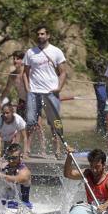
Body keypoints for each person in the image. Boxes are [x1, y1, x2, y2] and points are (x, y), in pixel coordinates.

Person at [23, 25, 68, 156]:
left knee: (54, 122)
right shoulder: (30, 52)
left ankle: (57, 149)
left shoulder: (56, 51)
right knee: (31, 121)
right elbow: (25, 73)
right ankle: (27, 149)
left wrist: (59, 88)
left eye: (42, 34)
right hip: (34, 91)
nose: (40, 36)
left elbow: (63, 72)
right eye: (38, 34)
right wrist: (27, 88)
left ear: (48, 35)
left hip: (50, 92)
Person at [64, 147, 108, 213]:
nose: (94, 170)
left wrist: (104, 205)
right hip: (92, 209)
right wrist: (69, 157)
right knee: (77, 207)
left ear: (104, 164)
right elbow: (68, 174)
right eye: (91, 166)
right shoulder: (87, 173)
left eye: (97, 166)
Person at [0, 143, 33, 209]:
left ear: (20, 157)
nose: (11, 160)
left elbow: (18, 179)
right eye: (9, 157)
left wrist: (0, 175)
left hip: (22, 206)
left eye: (14, 158)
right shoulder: (5, 166)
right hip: (5, 203)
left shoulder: (24, 171)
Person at [0, 50, 28, 116]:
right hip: (22, 101)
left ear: (23, 60)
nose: (15, 61)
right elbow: (7, 90)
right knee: (20, 124)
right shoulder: (12, 75)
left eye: (17, 59)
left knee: (34, 124)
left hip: (32, 100)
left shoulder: (28, 72)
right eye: (14, 59)